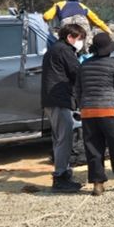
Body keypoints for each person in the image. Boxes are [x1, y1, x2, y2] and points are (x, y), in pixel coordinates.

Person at [76, 33, 114, 196]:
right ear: (109, 50)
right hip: (109, 110)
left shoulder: (84, 66)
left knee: (93, 147)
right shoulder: (113, 65)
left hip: (88, 112)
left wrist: (82, 106)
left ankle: (97, 184)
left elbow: (78, 90)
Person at [41, 23, 86, 192]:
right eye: (80, 38)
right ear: (70, 37)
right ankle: (60, 177)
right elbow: (77, 73)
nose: (81, 42)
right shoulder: (64, 51)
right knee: (64, 139)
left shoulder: (55, 49)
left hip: (52, 100)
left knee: (59, 138)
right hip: (59, 100)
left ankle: (64, 172)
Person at [43, 0, 112, 49]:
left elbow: (46, 17)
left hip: (67, 22)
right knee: (87, 44)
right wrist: (108, 31)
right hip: (82, 20)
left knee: (68, 45)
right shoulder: (82, 5)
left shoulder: (59, 4)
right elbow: (96, 21)